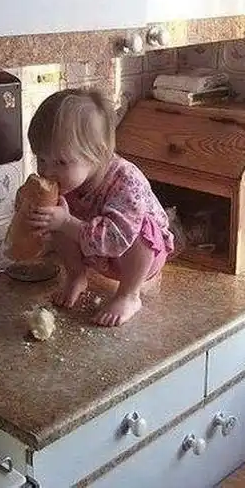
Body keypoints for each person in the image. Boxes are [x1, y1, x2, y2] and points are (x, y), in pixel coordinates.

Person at [26, 88, 174, 326]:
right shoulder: (67, 180)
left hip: (137, 261)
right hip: (97, 257)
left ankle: (129, 296)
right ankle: (77, 276)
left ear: (98, 153)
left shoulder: (126, 181)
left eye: (60, 162)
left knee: (144, 230)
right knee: (55, 216)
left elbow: (117, 238)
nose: (47, 171)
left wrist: (66, 222)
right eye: (41, 159)